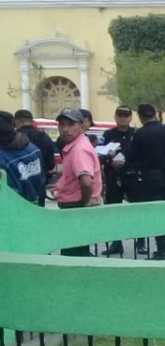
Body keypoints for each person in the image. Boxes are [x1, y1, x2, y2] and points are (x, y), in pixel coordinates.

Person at [124, 103, 165, 258]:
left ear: (140, 117)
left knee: (155, 214)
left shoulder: (140, 134)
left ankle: (161, 249)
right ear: (154, 114)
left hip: (149, 179)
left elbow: (132, 157)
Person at [55, 108, 102, 256]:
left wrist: (84, 202)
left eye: (70, 124)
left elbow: (86, 182)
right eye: (62, 125)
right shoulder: (78, 145)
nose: (65, 129)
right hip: (76, 206)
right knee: (77, 251)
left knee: (73, 254)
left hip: (76, 207)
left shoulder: (79, 150)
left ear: (81, 126)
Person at [99, 106, 137, 254]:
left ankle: (140, 241)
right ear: (115, 117)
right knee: (113, 210)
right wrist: (109, 159)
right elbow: (100, 153)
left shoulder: (136, 134)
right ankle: (116, 242)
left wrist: (127, 161)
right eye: (120, 115)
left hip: (131, 175)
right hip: (113, 175)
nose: (123, 118)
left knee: (136, 209)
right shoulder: (108, 134)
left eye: (126, 115)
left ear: (130, 117)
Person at [0, 111, 46, 205]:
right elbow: (42, 178)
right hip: (38, 205)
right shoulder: (33, 149)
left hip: (17, 211)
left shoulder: (3, 159)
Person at [13, 110, 56, 204]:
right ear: (31, 121)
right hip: (40, 184)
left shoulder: (13, 138)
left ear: (17, 121)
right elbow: (51, 164)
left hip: (19, 186)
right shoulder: (43, 136)